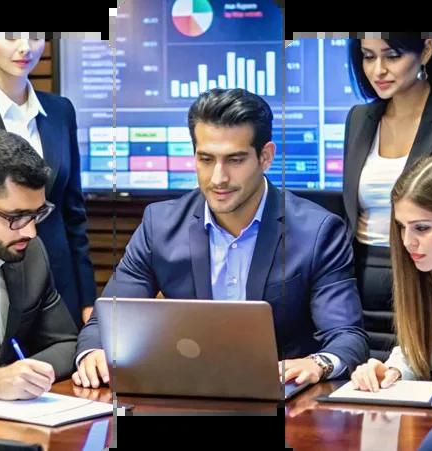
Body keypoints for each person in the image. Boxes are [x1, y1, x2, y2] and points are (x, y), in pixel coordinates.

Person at [72, 88, 368, 389]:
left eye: (235, 160)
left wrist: (318, 363)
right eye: (206, 159)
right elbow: (104, 321)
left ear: (265, 157)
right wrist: (94, 352)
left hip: (282, 398)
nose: (218, 178)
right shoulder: (159, 225)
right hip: (185, 391)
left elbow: (347, 336)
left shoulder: (318, 232)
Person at [0, 38, 96, 326]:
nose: (25, 47)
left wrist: (87, 297)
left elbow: (73, 213)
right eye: (10, 35)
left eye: (35, 36)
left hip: (59, 281)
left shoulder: (60, 111)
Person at [0, 129, 78, 405]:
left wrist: (25, 375)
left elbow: (65, 343)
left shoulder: (31, 253)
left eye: (37, 214)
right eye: (16, 217)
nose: (31, 232)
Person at [343, 37, 432, 360]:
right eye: (368, 56)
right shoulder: (359, 119)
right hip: (360, 285)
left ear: (426, 50)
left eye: (391, 56)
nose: (378, 70)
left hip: (428, 285)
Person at [351, 155, 432, 392]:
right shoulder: (430, 275)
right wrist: (394, 371)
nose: (407, 242)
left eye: (422, 228)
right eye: (402, 227)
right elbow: (417, 351)